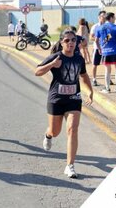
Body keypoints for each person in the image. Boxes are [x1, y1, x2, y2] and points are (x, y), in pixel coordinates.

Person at [35, 29, 93, 178]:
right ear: (61, 43)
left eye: (73, 40)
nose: (71, 43)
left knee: (72, 129)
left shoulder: (79, 59)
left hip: (73, 99)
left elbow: (84, 75)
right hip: (56, 99)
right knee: (55, 131)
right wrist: (52, 64)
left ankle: (70, 166)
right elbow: (37, 72)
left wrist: (90, 91)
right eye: (67, 40)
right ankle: (48, 136)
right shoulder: (56, 57)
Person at [95, 12, 116, 94]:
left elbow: (96, 40)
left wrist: (99, 49)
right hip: (115, 51)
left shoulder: (99, 28)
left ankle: (107, 88)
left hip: (105, 52)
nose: (115, 19)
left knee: (107, 70)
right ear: (111, 18)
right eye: (114, 17)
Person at [90, 10, 106, 86]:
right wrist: (98, 39)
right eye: (103, 16)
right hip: (97, 48)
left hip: (106, 48)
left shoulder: (107, 26)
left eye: (105, 16)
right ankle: (94, 79)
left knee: (107, 64)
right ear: (99, 17)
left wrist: (106, 39)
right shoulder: (95, 26)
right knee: (95, 64)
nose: (104, 17)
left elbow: (109, 36)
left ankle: (108, 79)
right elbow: (91, 37)